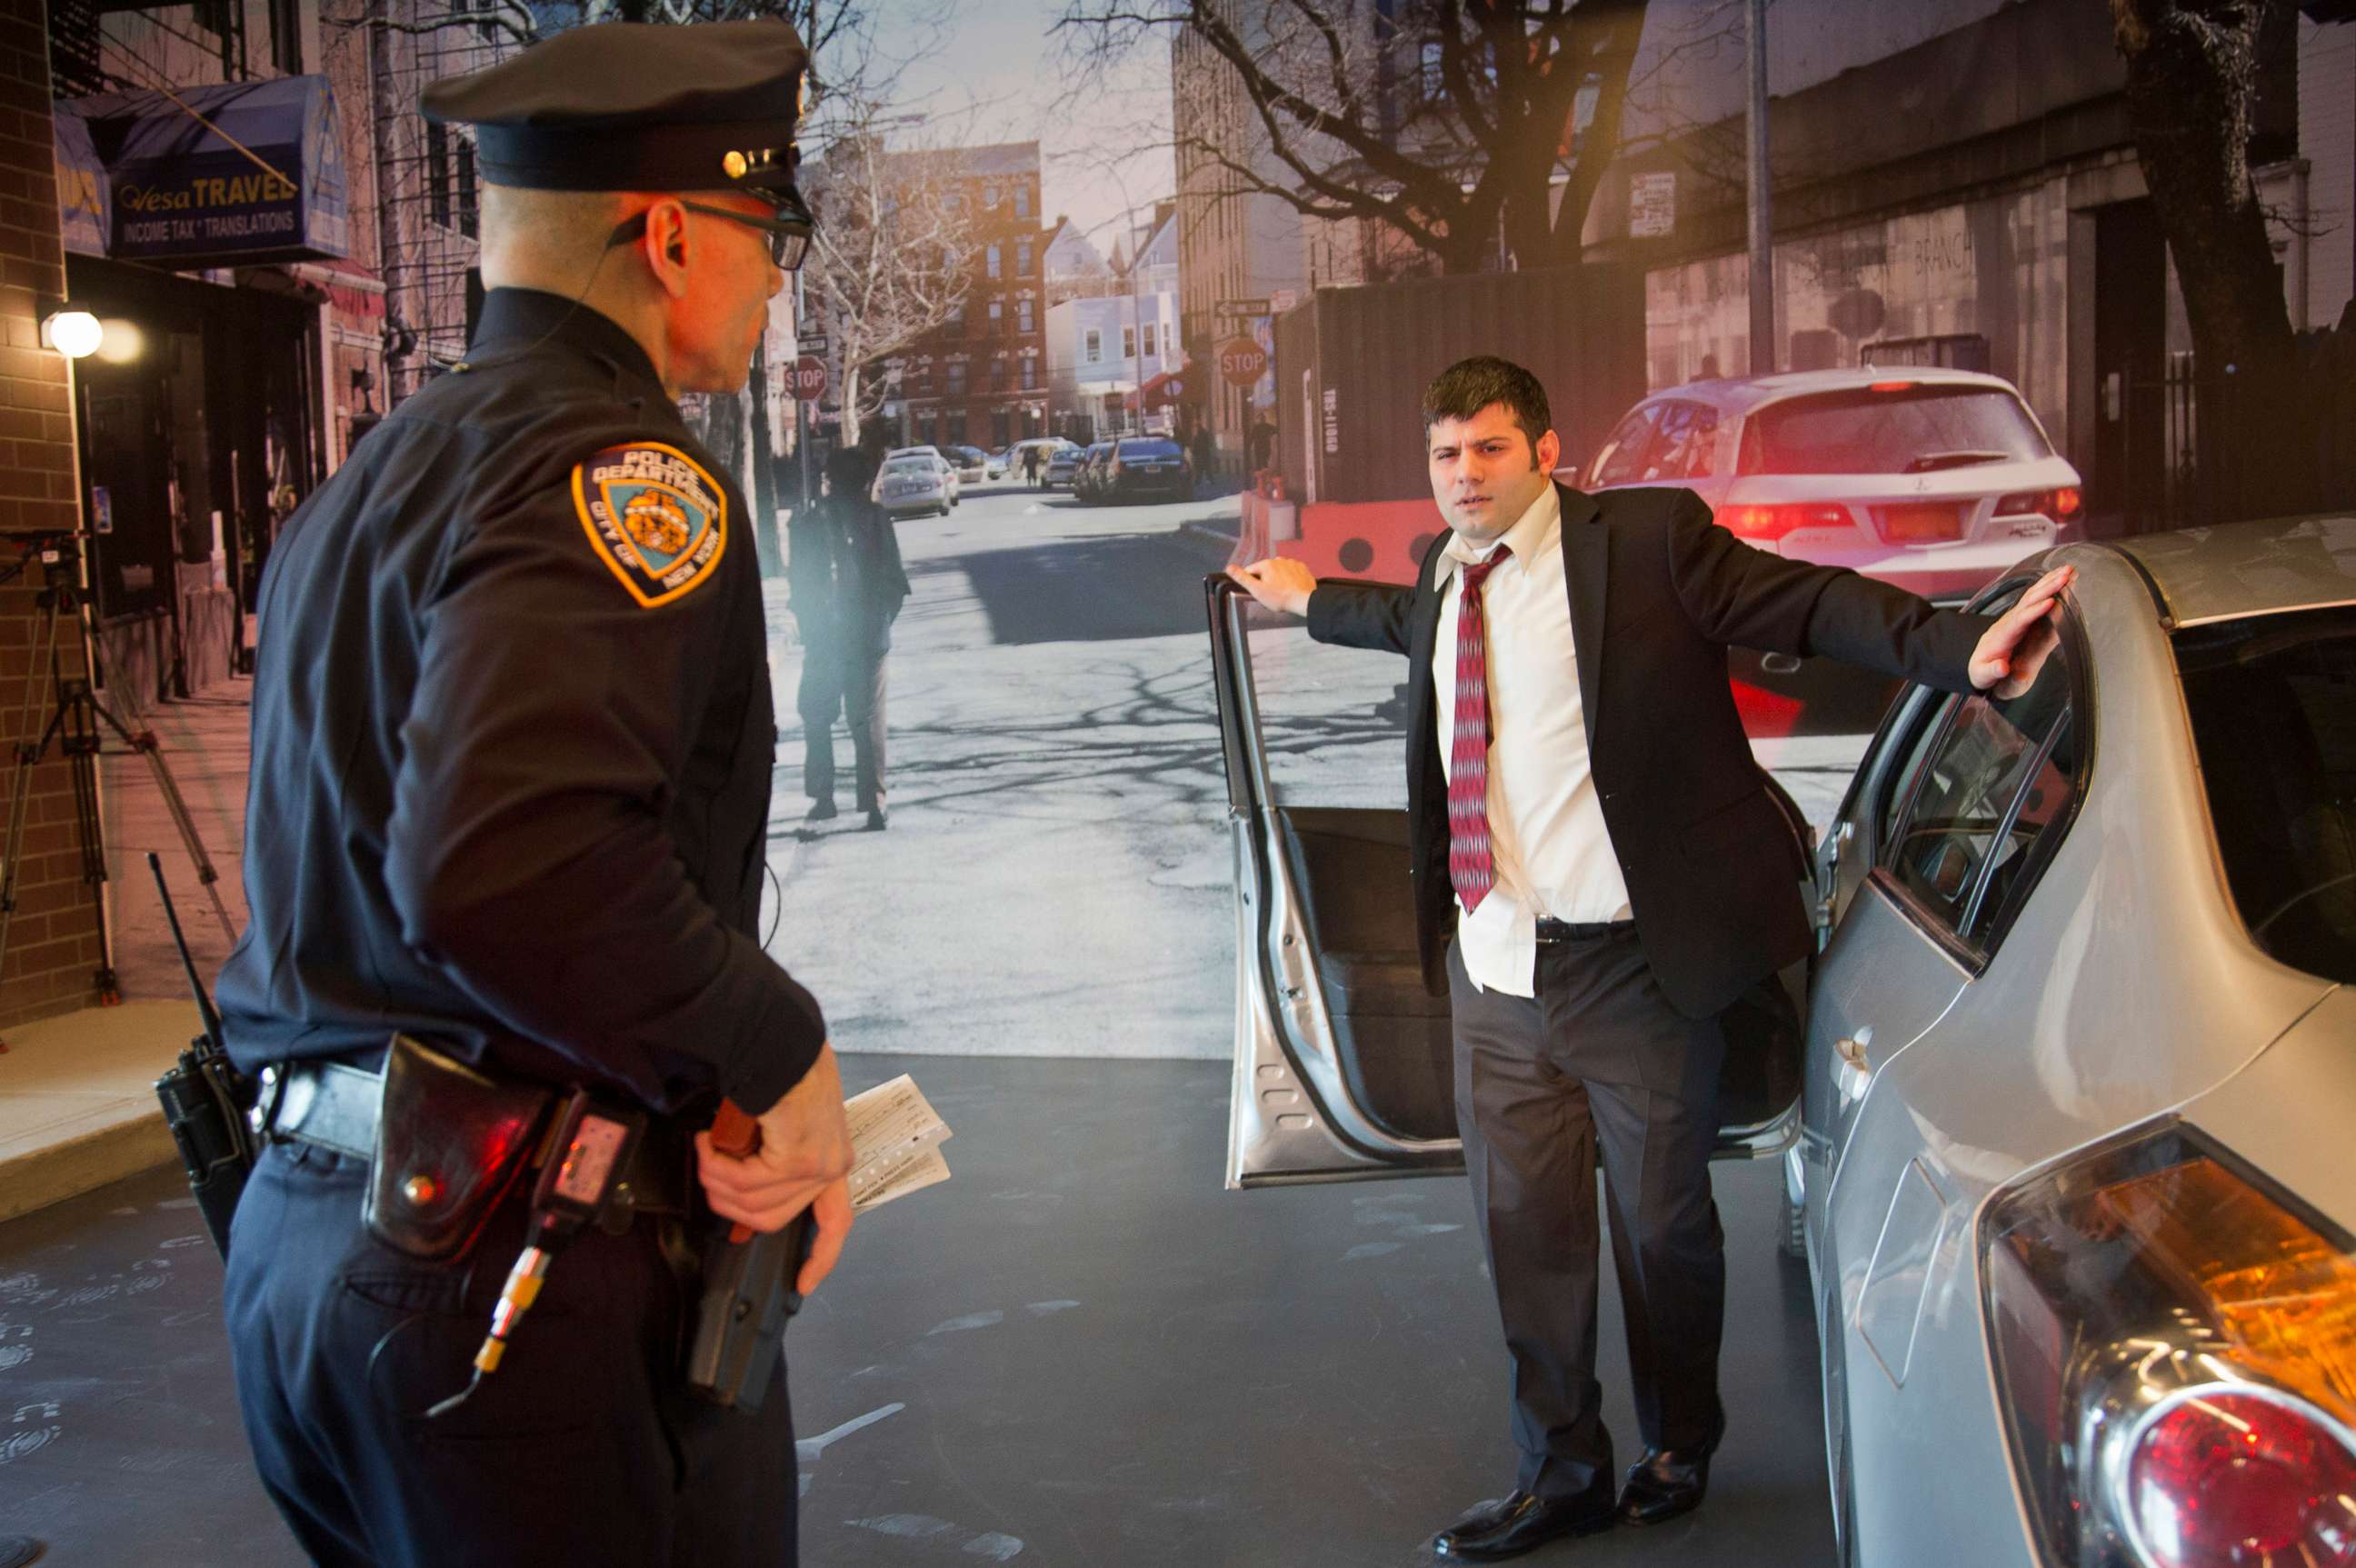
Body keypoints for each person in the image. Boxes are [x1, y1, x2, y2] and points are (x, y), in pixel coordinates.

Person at [1226, 355, 2070, 1563]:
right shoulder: (1444, 573)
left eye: (1490, 450)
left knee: (1663, 1228)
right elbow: (1405, 626)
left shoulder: (1646, 540)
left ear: (1546, 452)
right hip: (1498, 970)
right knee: (1528, 1235)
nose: (1465, 474)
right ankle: (1561, 1471)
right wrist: (1308, 596)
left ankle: (1682, 1441)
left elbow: (1802, 602)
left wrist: (1955, 648)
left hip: (1634, 967)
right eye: (1445, 454)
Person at [212, 20, 854, 1567]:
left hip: (313, 1243)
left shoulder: (371, 479)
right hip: (514, 1279)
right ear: (672, 232)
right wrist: (783, 1056)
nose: (775, 281)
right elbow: (512, 862)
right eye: (766, 237)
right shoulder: (623, 475)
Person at [791, 444, 910, 831]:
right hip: (868, 636)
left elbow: (800, 585)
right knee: (869, 717)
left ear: (829, 479)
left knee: (817, 714)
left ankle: (823, 798)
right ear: (864, 480)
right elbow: (894, 582)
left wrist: (812, 628)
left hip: (825, 635)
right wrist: (878, 622)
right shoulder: (877, 519)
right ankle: (875, 802)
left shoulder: (808, 522)